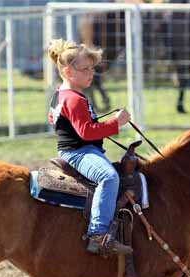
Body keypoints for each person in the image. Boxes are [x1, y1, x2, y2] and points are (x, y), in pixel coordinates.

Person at [47, 38, 132, 256]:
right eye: (84, 69)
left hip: (78, 149)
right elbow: (86, 132)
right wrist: (116, 123)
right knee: (109, 177)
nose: (90, 73)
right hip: (79, 152)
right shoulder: (74, 99)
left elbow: (55, 119)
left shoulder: (61, 95)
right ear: (67, 71)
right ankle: (98, 233)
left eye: (91, 69)